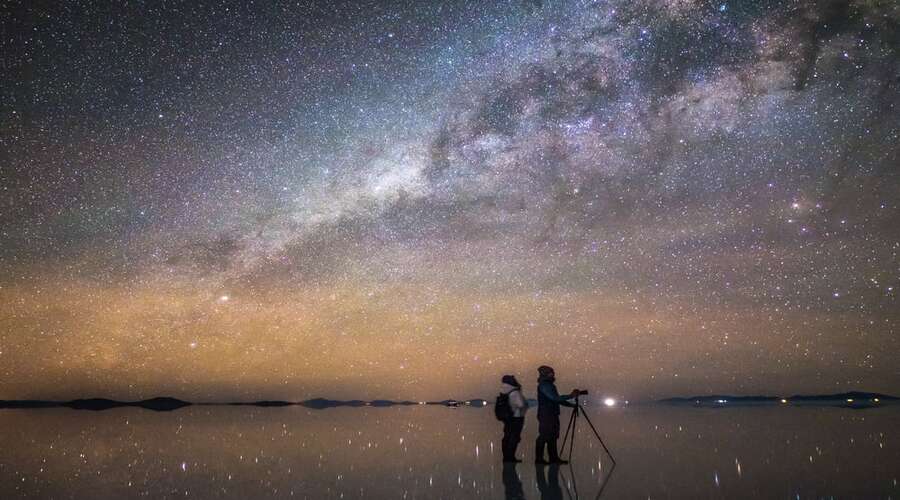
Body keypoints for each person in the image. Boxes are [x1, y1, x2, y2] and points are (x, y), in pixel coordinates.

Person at [535, 365, 578, 465]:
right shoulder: (545, 385)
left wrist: (571, 405)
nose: (553, 374)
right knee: (544, 436)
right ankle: (539, 459)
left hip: (550, 414)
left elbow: (556, 399)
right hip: (546, 415)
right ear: (545, 374)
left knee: (552, 436)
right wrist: (571, 396)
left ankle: (553, 458)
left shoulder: (548, 385)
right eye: (551, 372)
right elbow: (555, 398)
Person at [500, 374, 528, 462]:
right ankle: (510, 457)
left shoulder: (505, 390)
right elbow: (521, 404)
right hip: (516, 417)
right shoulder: (515, 392)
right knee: (514, 437)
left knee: (507, 436)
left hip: (509, 418)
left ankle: (507, 457)